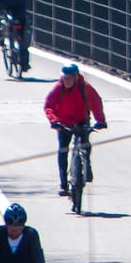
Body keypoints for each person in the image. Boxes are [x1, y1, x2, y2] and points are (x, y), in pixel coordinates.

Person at [43, 63, 107, 195]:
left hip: (81, 119)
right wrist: (54, 121)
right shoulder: (58, 88)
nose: (67, 81)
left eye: (70, 78)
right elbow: (48, 106)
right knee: (63, 150)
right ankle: (63, 184)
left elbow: (96, 103)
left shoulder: (85, 87)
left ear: (76, 77)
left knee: (85, 143)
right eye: (65, 78)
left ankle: (86, 164)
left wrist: (100, 121)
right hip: (63, 122)